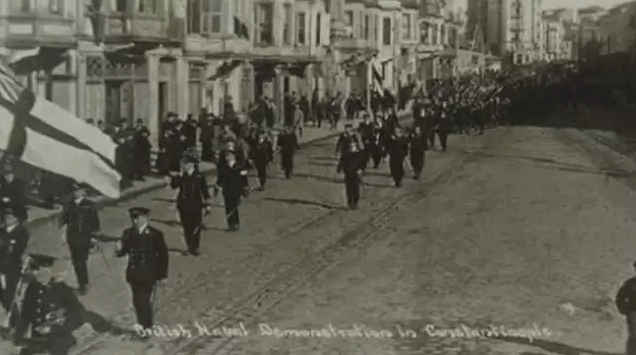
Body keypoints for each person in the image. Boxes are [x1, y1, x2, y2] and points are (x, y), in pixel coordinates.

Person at [115, 207, 168, 338]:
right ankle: (142, 325)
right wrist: (118, 250)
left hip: (149, 274)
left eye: (136, 218)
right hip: (133, 274)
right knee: (137, 302)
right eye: (133, 218)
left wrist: (162, 275)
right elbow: (123, 252)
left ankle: (146, 327)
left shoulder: (155, 234)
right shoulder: (128, 233)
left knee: (143, 301)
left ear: (145, 218)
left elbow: (162, 256)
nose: (134, 221)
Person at [59, 182, 100, 295]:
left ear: (83, 191)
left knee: (80, 261)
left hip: (84, 237)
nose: (76, 193)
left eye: (78, 190)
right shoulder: (69, 205)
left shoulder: (89, 205)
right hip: (72, 237)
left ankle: (83, 284)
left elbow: (95, 222)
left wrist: (94, 237)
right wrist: (63, 234)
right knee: (76, 261)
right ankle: (81, 282)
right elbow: (65, 221)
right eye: (74, 191)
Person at [170, 157, 211, 256]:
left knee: (196, 226)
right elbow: (174, 185)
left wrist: (207, 205)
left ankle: (195, 247)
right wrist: (178, 175)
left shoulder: (199, 176)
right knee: (186, 227)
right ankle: (189, 246)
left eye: (186, 164)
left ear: (192, 165)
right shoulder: (182, 177)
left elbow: (204, 191)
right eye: (183, 165)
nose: (184, 166)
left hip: (196, 205)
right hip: (183, 205)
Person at [0, 207, 29, 313]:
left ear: (16, 219)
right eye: (5, 217)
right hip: (2, 266)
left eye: (10, 217)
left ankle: (15, 321)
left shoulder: (22, 232)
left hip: (11, 268)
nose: (7, 219)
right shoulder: (2, 231)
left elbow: (15, 252)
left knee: (9, 295)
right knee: (3, 295)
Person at [215, 146, 249, 231]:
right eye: (226, 155)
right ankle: (230, 223)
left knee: (234, 206)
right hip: (227, 190)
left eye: (229, 155)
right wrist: (217, 186)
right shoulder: (223, 167)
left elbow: (244, 179)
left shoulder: (240, 166)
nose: (228, 157)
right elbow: (220, 178)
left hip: (237, 189)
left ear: (234, 156)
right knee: (228, 206)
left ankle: (236, 223)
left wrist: (245, 188)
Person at [341, 141, 363, 210]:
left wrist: (360, 169)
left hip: (356, 176)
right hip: (348, 175)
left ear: (355, 147)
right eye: (350, 147)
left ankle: (355, 203)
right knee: (349, 191)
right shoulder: (346, 155)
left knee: (356, 191)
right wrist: (342, 169)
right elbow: (342, 163)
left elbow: (362, 164)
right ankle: (350, 204)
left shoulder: (358, 155)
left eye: (352, 147)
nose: (351, 148)